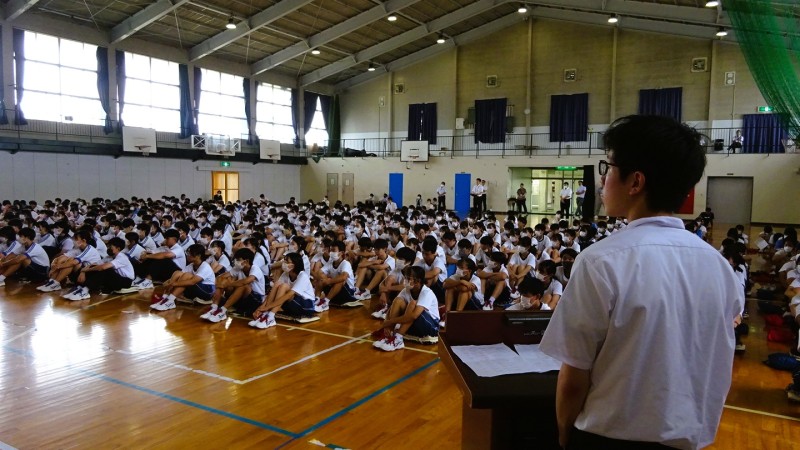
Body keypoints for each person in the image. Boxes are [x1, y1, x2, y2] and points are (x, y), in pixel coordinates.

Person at [539, 115, 744, 449]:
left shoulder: (600, 261)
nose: (603, 179)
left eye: (609, 167)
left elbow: (574, 377)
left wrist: (564, 433)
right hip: (689, 438)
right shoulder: (718, 266)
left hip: (607, 437)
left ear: (635, 182)